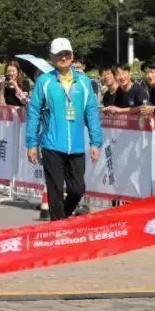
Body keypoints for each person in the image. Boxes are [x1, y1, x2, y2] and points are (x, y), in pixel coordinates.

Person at [25, 38, 103, 221]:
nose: (63, 57)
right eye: (59, 54)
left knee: (77, 190)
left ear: (72, 56)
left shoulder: (83, 82)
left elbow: (91, 112)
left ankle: (61, 219)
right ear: (52, 57)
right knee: (55, 191)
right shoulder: (45, 81)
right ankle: (59, 229)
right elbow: (34, 112)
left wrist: (95, 142)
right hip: (52, 145)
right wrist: (31, 143)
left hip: (76, 146)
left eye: (66, 54)